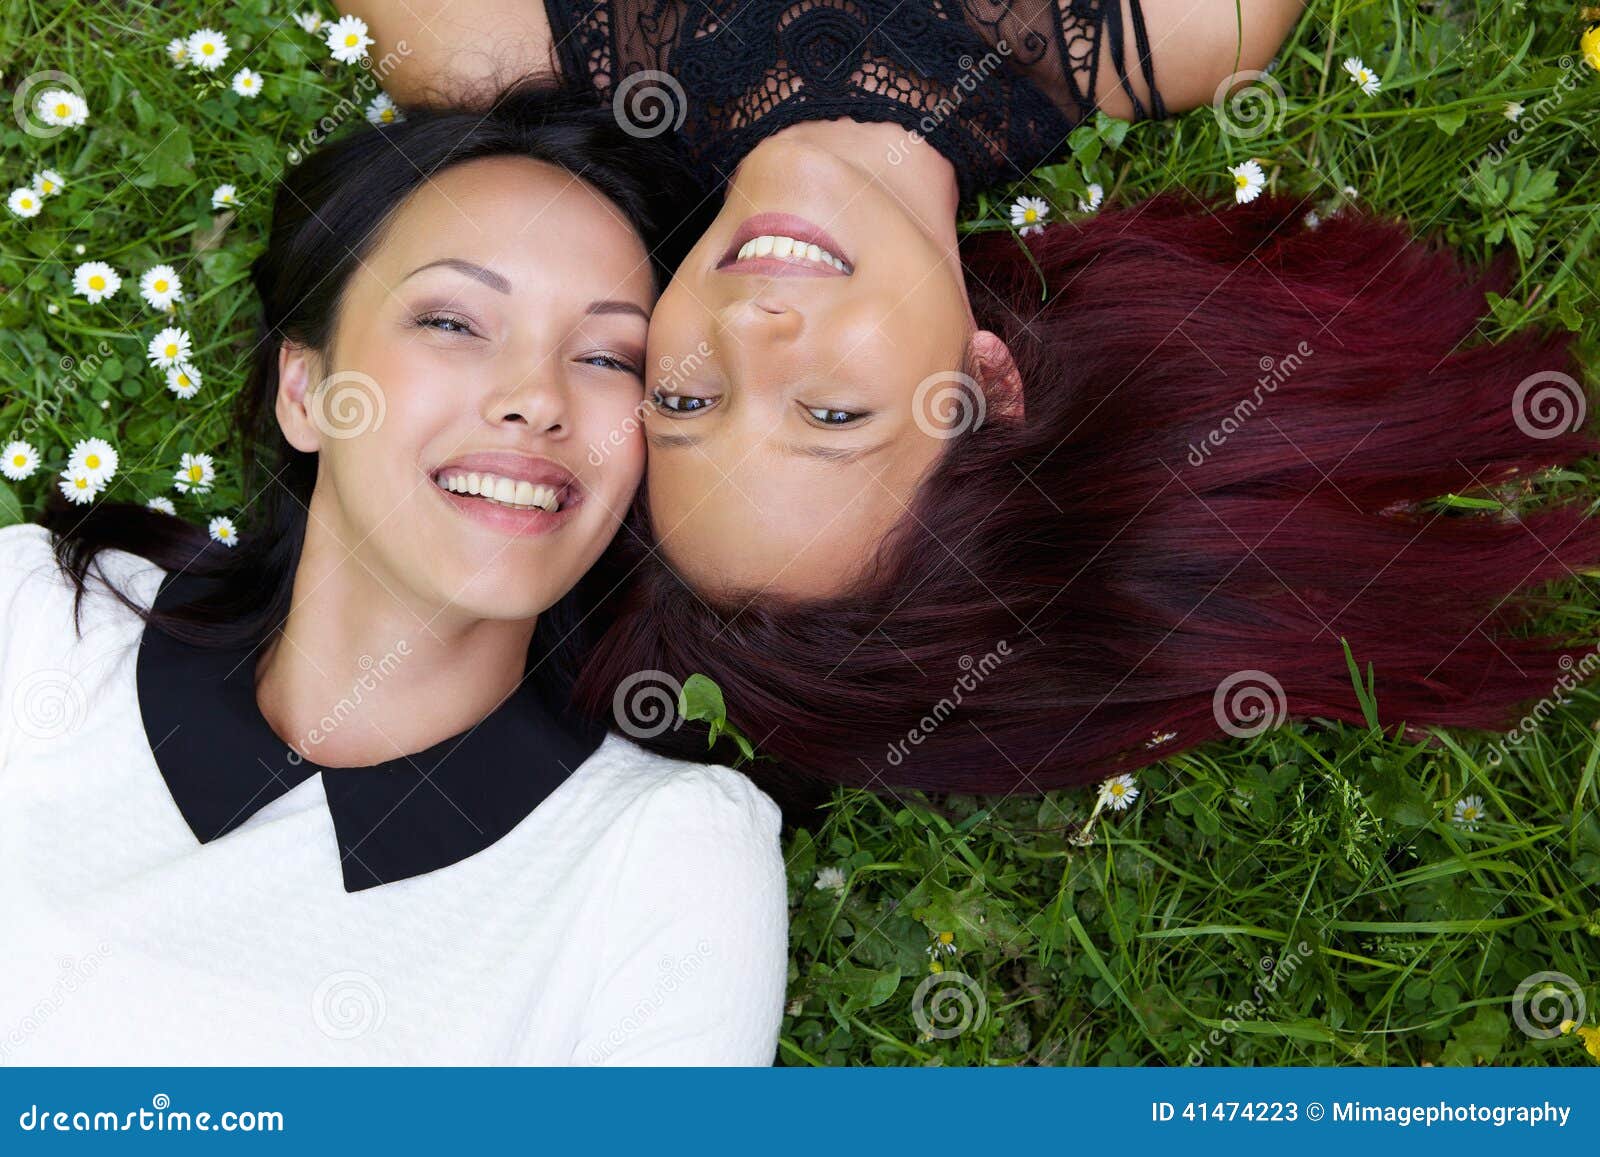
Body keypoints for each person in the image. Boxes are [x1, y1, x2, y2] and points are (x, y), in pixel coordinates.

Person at [0, 82, 787, 1065]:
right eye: (453, 323)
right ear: (308, 389)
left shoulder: (665, 862)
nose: (536, 400)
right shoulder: (36, 626)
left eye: (606, 356)